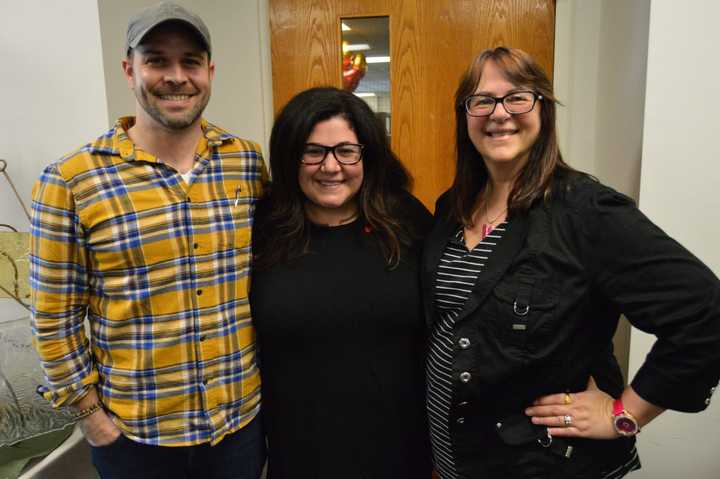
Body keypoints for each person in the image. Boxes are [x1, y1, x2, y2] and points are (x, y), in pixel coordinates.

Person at [423, 46, 720, 478]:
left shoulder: (585, 211)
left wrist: (625, 413)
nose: (499, 113)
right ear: (464, 116)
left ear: (543, 110)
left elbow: (705, 314)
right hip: (460, 457)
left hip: (543, 464)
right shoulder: (451, 208)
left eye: (517, 97)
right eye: (482, 100)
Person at [29, 3, 267, 478]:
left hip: (238, 428)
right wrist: (91, 420)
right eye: (157, 60)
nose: (176, 76)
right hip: (136, 441)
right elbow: (54, 319)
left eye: (190, 62)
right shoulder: (72, 180)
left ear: (209, 72)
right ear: (129, 69)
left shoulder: (245, 162)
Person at [250, 87, 433, 478]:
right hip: (299, 450)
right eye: (312, 151)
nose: (331, 167)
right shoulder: (261, 227)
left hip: (399, 449)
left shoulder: (406, 221)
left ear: (367, 155)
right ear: (289, 156)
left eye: (347, 151)